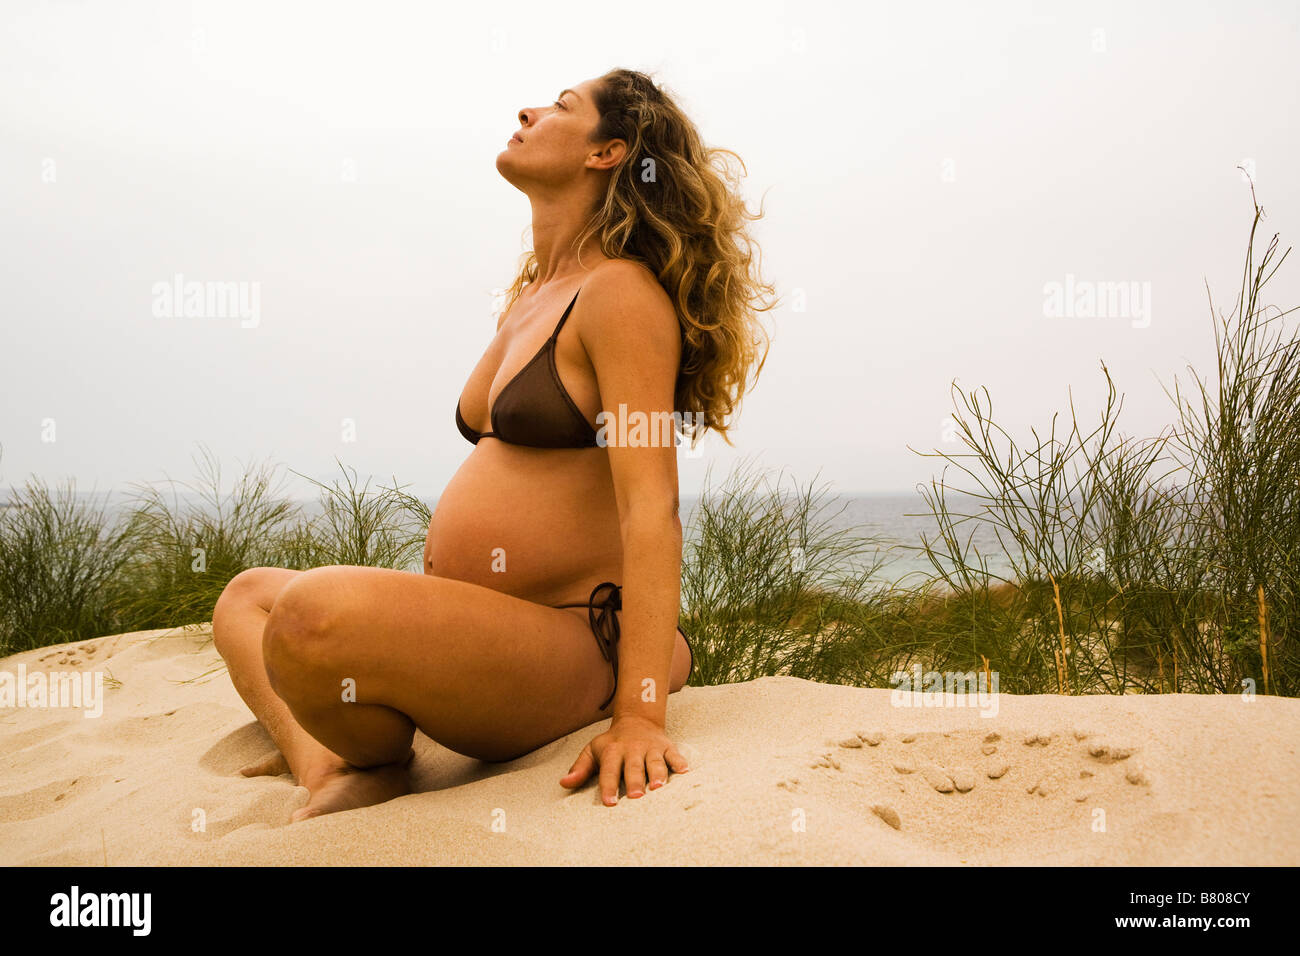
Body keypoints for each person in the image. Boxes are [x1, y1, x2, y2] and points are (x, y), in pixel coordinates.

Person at [211, 67, 775, 822]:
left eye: (561, 106)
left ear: (607, 152)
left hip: (570, 639)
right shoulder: (532, 298)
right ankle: (338, 771)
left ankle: (368, 758)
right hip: (481, 626)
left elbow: (652, 508)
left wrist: (639, 716)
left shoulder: (620, 295)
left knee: (311, 613)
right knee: (246, 600)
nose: (528, 109)